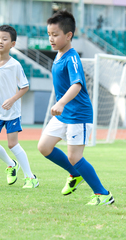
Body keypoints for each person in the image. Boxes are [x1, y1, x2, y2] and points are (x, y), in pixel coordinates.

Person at [38, 10, 114, 205]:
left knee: (75, 156)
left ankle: (102, 194)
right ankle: (74, 174)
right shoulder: (59, 54)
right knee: (44, 147)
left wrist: (61, 102)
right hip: (65, 114)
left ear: (69, 35)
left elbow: (77, 85)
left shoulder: (72, 58)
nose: (51, 39)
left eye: (55, 35)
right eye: (49, 34)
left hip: (78, 114)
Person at [0, 25, 39, 188]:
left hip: (12, 112)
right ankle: (11, 165)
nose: (0, 41)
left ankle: (31, 178)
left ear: (12, 44)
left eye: (5, 39)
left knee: (12, 144)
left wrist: (13, 100)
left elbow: (25, 87)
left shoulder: (15, 65)